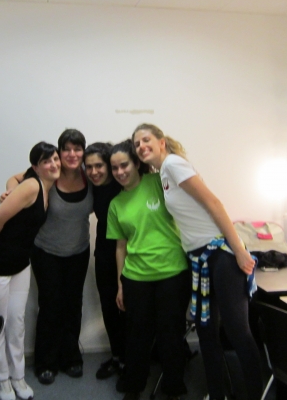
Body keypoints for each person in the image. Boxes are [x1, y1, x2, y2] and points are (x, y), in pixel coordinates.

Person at [132, 123, 263, 400]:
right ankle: (217, 394)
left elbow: (214, 204)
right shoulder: (163, 173)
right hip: (199, 258)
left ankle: (255, 394)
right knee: (205, 331)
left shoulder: (173, 164)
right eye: (137, 144)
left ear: (161, 142)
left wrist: (239, 249)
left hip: (220, 254)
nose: (141, 146)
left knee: (237, 331)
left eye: (146, 140)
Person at [3, 129, 93, 385]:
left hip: (79, 251)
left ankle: (71, 357)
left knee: (73, 305)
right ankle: (46, 361)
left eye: (77, 149)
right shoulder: (50, 173)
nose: (72, 154)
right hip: (46, 252)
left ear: (83, 152)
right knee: (50, 306)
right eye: (67, 149)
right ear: (59, 152)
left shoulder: (89, 174)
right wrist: (11, 193)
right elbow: (13, 178)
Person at [107, 140, 190, 400]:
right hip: (136, 277)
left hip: (173, 273)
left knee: (171, 335)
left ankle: (173, 388)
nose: (120, 172)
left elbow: (183, 171)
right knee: (137, 336)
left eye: (124, 165)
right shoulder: (115, 204)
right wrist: (120, 284)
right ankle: (133, 387)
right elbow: (120, 247)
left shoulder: (158, 182)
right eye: (114, 168)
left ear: (136, 163)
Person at [0, 141, 60, 400]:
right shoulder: (32, 186)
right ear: (36, 167)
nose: (54, 164)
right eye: (46, 161)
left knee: (16, 322)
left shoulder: (47, 184)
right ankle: (1, 379)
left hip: (21, 264)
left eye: (55, 158)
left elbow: (13, 177)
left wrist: (10, 188)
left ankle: (18, 375)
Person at [84, 142, 125, 379]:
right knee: (109, 309)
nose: (94, 172)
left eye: (99, 165)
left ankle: (132, 361)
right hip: (103, 253)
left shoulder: (124, 183)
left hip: (129, 254)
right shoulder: (93, 185)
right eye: (89, 167)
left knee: (128, 309)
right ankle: (118, 356)